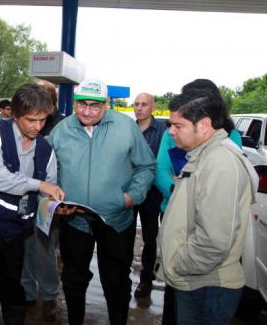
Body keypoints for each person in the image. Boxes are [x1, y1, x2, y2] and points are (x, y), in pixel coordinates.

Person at [48, 78, 156, 325]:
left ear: (107, 104)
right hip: (74, 220)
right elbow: (44, 171)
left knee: (116, 281)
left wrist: (130, 198)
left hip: (115, 221)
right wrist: (53, 197)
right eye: (81, 104)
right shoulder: (61, 130)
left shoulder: (126, 127)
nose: (86, 111)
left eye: (94, 106)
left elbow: (147, 166)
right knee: (73, 280)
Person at [0, 83, 64, 325]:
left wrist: (55, 206)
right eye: (31, 120)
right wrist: (39, 186)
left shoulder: (46, 150)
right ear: (15, 115)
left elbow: (46, 193)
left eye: (42, 120)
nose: (38, 126)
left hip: (16, 231)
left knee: (12, 288)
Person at [157, 88, 258, 325]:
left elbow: (215, 240)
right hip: (198, 281)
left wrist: (179, 264)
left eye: (178, 126)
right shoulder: (205, 154)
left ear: (203, 125)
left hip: (205, 286)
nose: (171, 132)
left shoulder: (220, 162)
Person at [20, 79, 64, 321]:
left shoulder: (62, 125)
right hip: (21, 199)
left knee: (45, 252)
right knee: (25, 250)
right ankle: (27, 293)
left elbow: (59, 168)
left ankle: (48, 297)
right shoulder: (18, 124)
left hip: (47, 200)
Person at [132, 93, 167, 298]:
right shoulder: (128, 129)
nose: (139, 108)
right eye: (136, 104)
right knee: (125, 235)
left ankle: (146, 279)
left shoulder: (163, 132)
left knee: (149, 238)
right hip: (130, 190)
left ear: (153, 107)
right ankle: (122, 275)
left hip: (152, 193)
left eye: (144, 104)